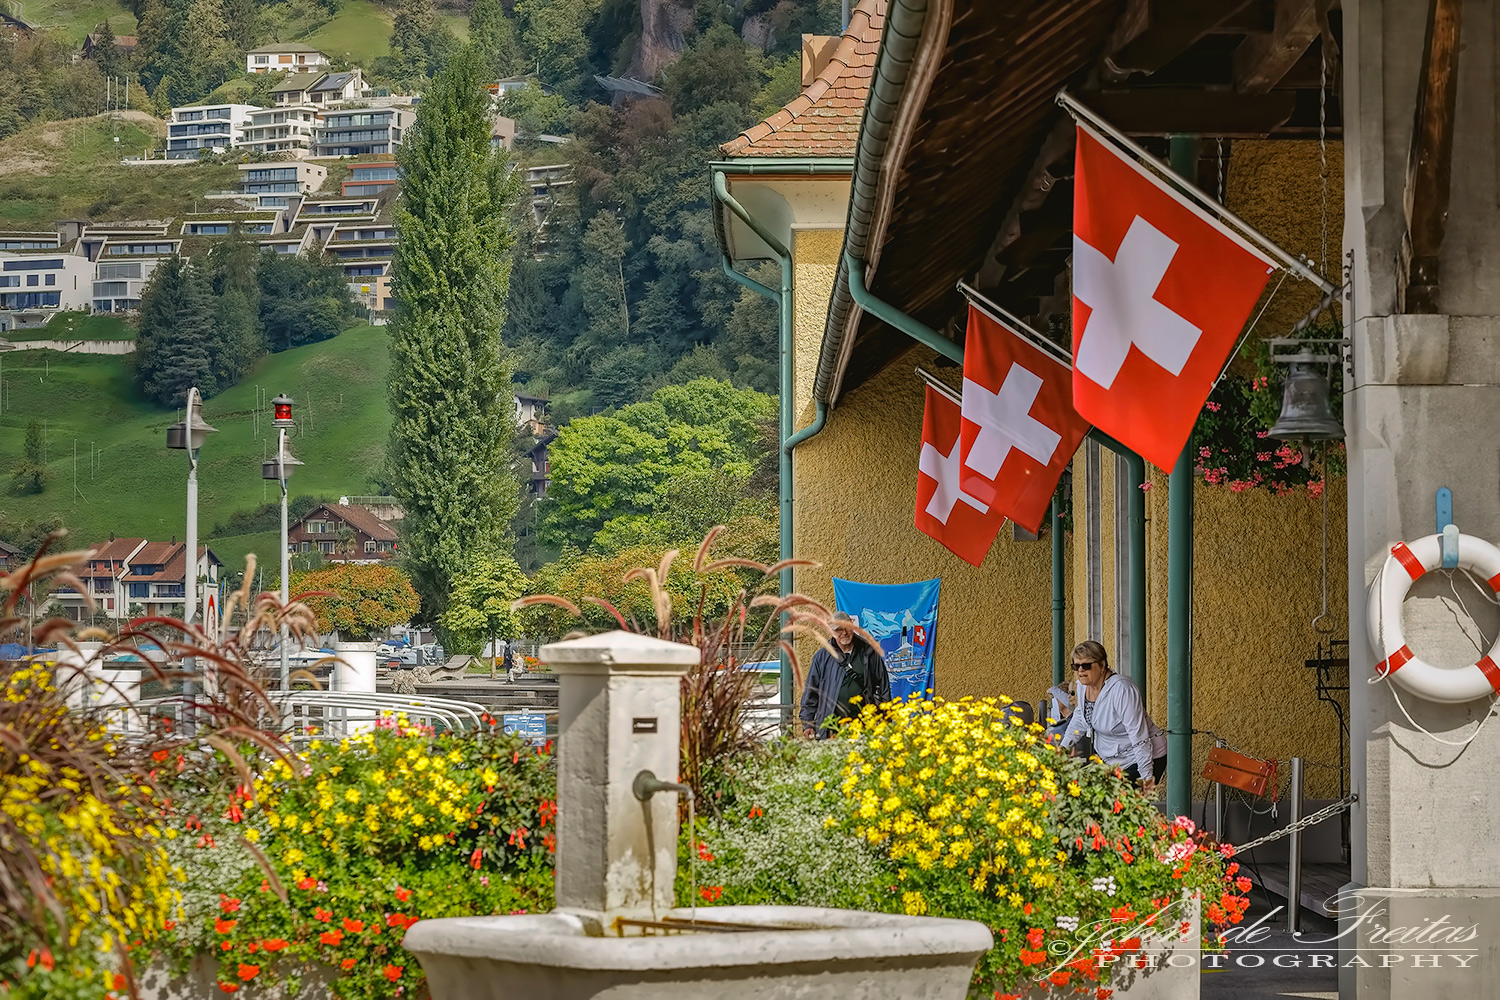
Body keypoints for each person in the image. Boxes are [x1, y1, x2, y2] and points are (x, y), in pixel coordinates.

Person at [1059, 640, 1167, 793]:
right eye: (1076, 666)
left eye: (1086, 665)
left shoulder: (1122, 689)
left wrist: (1147, 779)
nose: (1080, 670)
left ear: (1102, 665)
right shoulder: (1083, 686)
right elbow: (1079, 718)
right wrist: (1062, 750)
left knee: (1121, 808)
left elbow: (1139, 736)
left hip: (1141, 757)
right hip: (1113, 760)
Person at [799, 611, 891, 739]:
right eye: (838, 630)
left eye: (847, 628)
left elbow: (883, 686)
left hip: (863, 724)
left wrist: (885, 717)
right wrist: (807, 723)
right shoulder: (822, 657)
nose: (844, 633)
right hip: (831, 726)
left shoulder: (869, 652)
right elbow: (811, 690)